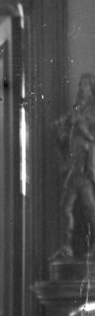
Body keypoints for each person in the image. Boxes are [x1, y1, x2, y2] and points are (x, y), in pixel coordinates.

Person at [52, 74, 95, 259]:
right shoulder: (76, 109)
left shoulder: (92, 111)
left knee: (90, 210)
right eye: (80, 85)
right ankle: (66, 247)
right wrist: (59, 130)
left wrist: (80, 125)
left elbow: (91, 138)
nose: (81, 88)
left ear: (92, 89)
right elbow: (68, 140)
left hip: (85, 169)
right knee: (65, 208)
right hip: (74, 168)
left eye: (85, 85)